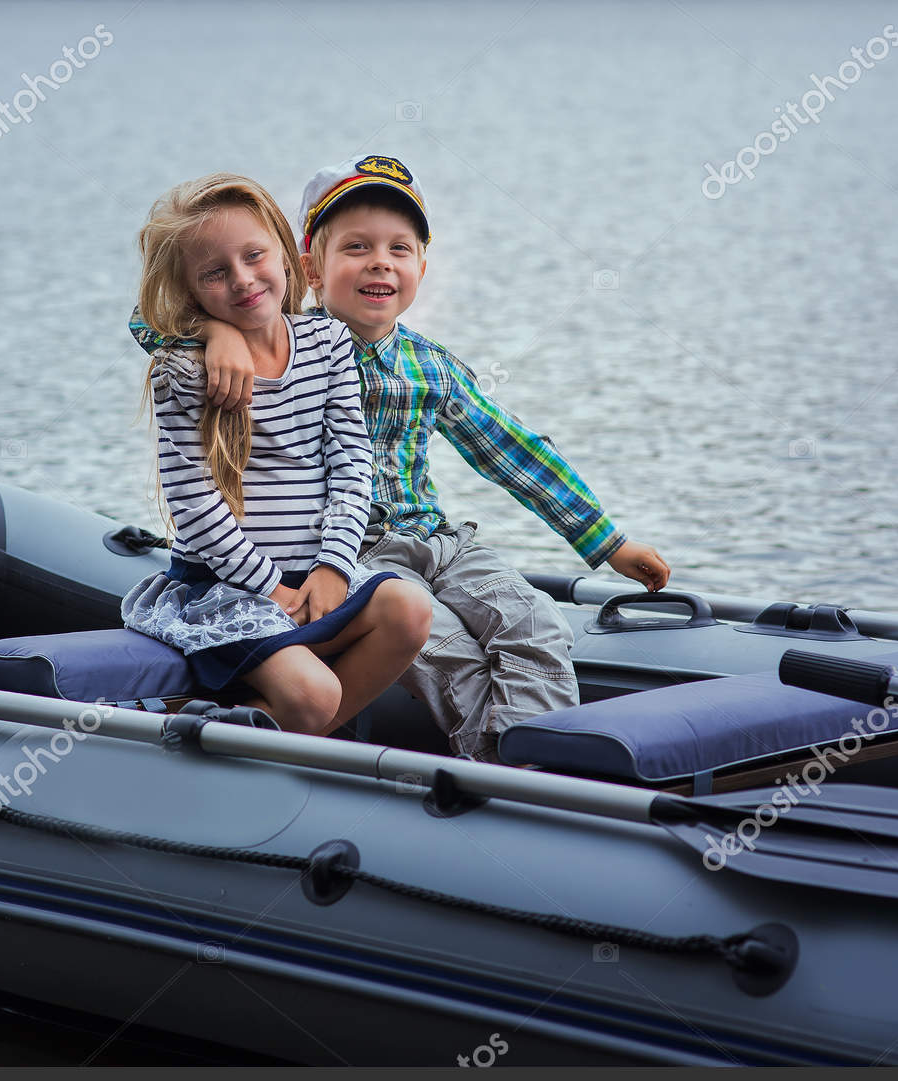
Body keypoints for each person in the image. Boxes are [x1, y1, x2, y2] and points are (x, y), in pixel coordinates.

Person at [131, 155, 670, 762]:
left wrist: (607, 540)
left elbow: (513, 451)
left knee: (537, 623)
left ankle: (549, 761)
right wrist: (212, 331)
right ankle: (498, 772)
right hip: (359, 550)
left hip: (441, 542)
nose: (380, 261)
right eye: (356, 247)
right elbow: (151, 320)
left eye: (400, 248)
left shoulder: (429, 366)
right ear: (308, 266)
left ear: (420, 267)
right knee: (447, 649)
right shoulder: (286, 334)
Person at [121, 172, 431, 736]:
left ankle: (261, 732)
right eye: (215, 273)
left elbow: (352, 464)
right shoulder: (183, 373)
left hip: (314, 574)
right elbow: (193, 507)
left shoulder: (329, 344)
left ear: (286, 258)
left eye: (254, 255)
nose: (243, 280)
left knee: (409, 611)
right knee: (314, 695)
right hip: (228, 590)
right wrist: (270, 587)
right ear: (192, 293)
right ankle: (256, 736)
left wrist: (335, 566)